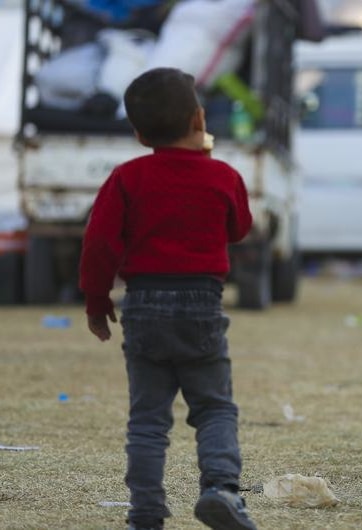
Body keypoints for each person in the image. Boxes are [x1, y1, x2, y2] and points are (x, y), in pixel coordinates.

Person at [79, 67, 257, 530]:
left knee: (148, 421)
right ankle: (221, 489)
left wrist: (97, 302)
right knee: (215, 406)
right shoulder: (222, 175)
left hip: (142, 304)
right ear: (200, 119)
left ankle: (145, 513)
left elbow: (98, 243)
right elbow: (239, 228)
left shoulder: (127, 177)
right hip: (202, 303)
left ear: (139, 133)